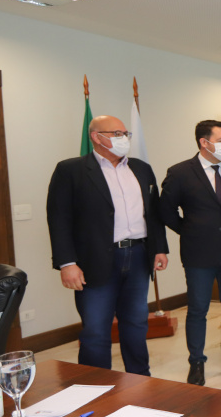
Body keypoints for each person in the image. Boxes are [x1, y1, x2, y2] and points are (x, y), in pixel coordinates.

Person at [46, 115, 169, 375]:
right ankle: (96, 386)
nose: (123, 139)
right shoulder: (71, 170)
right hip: (95, 261)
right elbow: (59, 219)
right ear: (96, 136)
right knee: (95, 329)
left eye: (126, 134)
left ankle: (140, 379)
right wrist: (67, 263)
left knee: (136, 323)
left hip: (137, 255)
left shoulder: (141, 168)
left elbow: (153, 213)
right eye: (116, 133)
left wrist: (159, 247)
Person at [159, 120, 221, 386]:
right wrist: (191, 230)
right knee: (198, 309)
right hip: (198, 253)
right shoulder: (180, 172)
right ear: (205, 142)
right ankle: (197, 362)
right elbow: (166, 211)